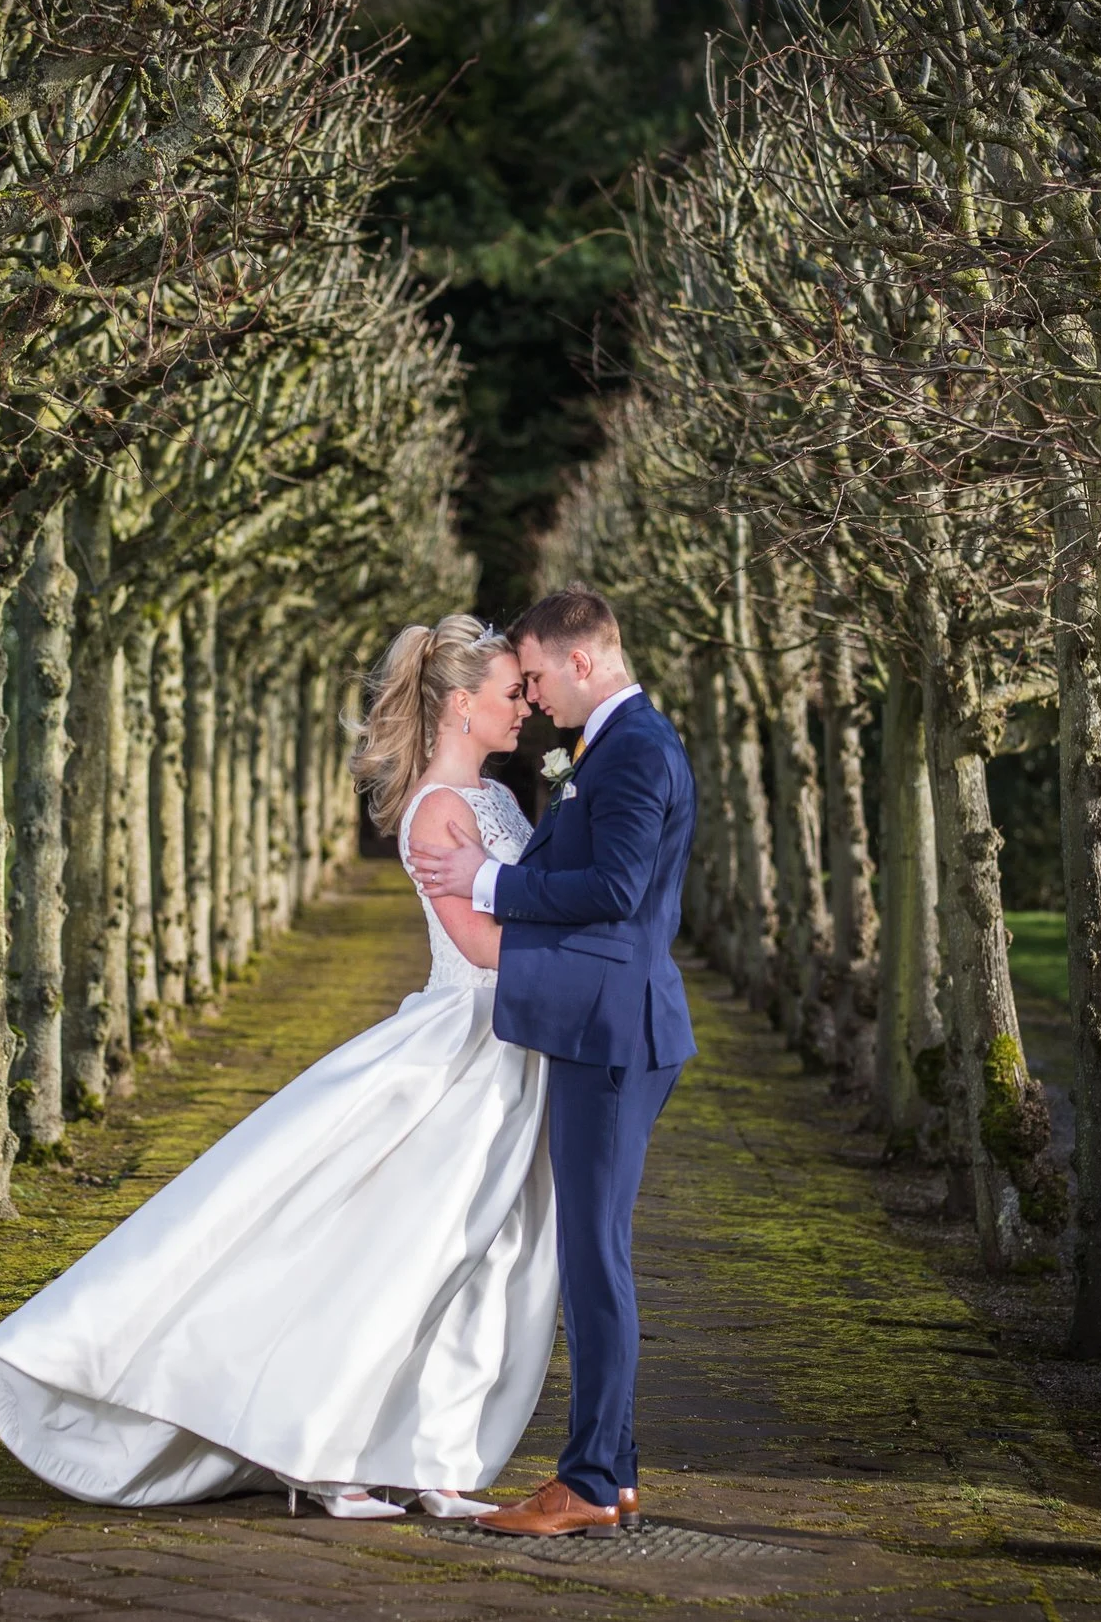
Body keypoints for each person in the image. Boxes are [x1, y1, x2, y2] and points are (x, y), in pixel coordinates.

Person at [0, 614, 555, 1521]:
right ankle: (327, 1453)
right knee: (406, 1256)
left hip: (513, 1046)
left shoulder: (501, 804)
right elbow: (481, 947)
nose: (527, 706)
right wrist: (591, 947)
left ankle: (432, 1456)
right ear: (460, 704)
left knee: (482, 1258)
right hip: (465, 1048)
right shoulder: (442, 808)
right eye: (513, 692)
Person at [409, 584, 697, 1539]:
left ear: (583, 660)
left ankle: (584, 1482)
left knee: (594, 1258)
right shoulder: (617, 745)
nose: (531, 697)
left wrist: (489, 878)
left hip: (613, 1032)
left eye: (534, 675)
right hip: (605, 1023)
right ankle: (610, 1475)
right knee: (592, 1250)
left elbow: (616, 888)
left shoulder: (634, 749)